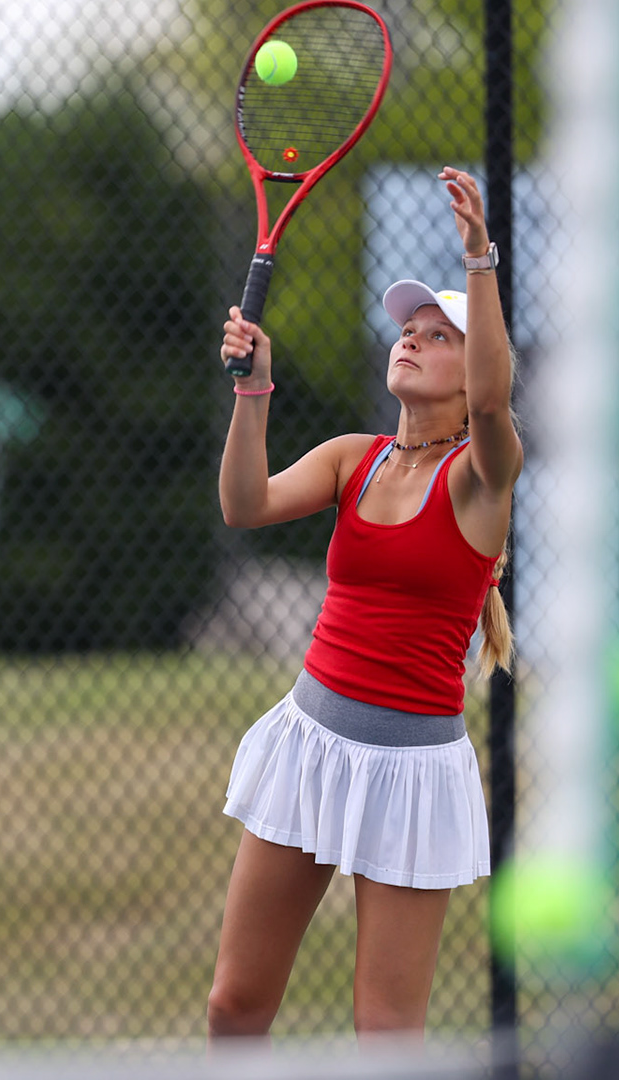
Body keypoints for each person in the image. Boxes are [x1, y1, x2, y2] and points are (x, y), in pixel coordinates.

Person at [207, 166, 520, 1040]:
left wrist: (479, 258)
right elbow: (245, 505)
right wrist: (252, 388)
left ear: (471, 377)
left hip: (413, 773)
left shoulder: (480, 480)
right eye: (407, 330)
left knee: (386, 1033)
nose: (411, 341)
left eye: (438, 336)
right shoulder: (355, 456)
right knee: (234, 1005)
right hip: (311, 742)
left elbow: (496, 399)